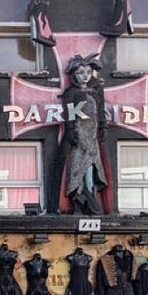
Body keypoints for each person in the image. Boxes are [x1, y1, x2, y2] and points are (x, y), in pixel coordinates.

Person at [59, 55, 108, 215]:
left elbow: (100, 111)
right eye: (81, 72)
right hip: (80, 137)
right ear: (74, 75)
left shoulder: (96, 91)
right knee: (79, 169)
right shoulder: (72, 93)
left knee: (92, 170)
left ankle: (91, 199)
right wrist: (70, 130)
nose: (85, 75)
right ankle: (82, 200)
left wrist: (103, 127)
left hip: (92, 137)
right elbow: (70, 113)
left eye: (88, 71)